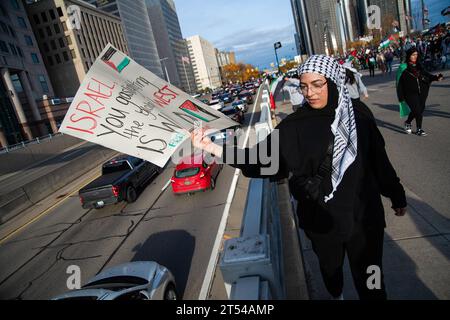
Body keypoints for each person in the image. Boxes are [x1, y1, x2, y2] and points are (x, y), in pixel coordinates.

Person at [192, 55, 407, 300]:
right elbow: (257, 159)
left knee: (372, 280)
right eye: (304, 86)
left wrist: (396, 195)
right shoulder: (295, 126)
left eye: (317, 84)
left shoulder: (360, 114)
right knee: (331, 272)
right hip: (323, 224)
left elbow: (380, 162)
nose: (309, 93)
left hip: (365, 221)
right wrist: (213, 148)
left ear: (334, 81)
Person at [396, 47, 444, 136]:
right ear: (409, 56)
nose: (415, 57)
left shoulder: (419, 65)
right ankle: (419, 129)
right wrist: (401, 96)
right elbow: (399, 83)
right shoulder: (403, 67)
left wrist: (436, 77)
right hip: (409, 94)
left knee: (419, 110)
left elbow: (427, 75)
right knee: (417, 110)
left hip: (421, 92)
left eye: (416, 55)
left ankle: (408, 122)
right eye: (413, 55)